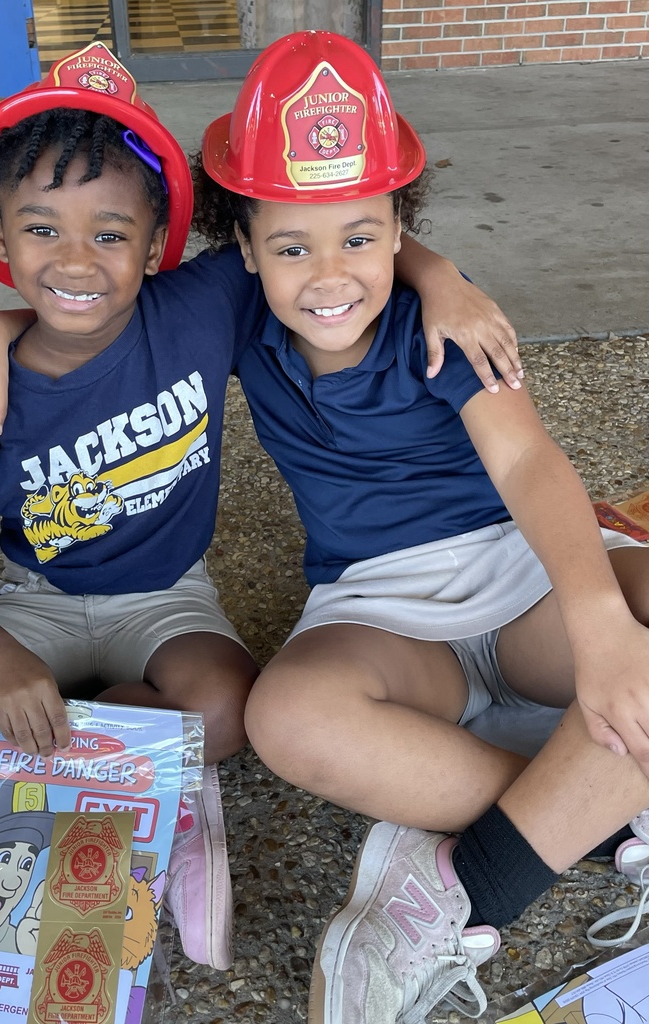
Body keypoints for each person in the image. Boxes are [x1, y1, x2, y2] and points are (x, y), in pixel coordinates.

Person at [0, 39, 523, 982]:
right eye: (40, 228)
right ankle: (146, 805)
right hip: (32, 604)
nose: (76, 259)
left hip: (168, 603)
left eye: (110, 233)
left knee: (223, 708)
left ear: (156, 243)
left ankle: (15, 786)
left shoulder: (205, 302)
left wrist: (444, 275)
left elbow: (320, 225)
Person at [189, 30, 649, 1021]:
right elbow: (123, 245)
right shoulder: (237, 306)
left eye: (361, 237)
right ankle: (592, 806)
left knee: (635, 623)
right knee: (286, 718)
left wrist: (604, 629)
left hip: (516, 577)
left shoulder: (442, 323)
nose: (327, 276)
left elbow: (527, 462)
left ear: (399, 226)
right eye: (290, 246)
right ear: (244, 245)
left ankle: (456, 874)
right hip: (379, 609)